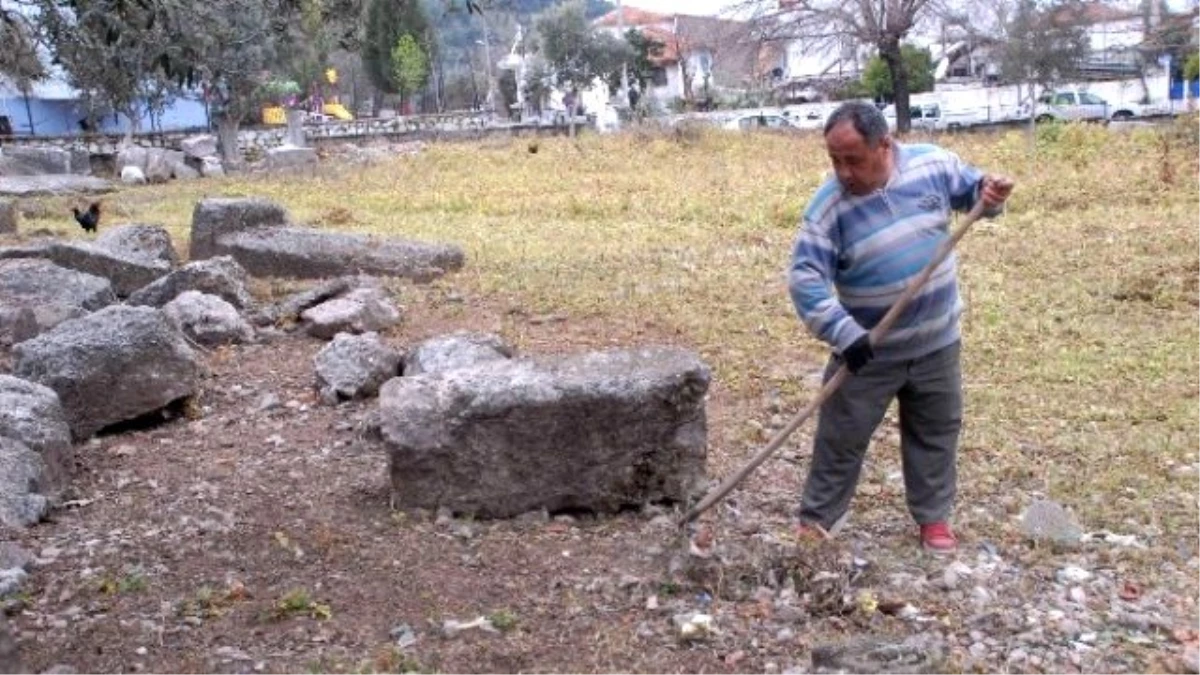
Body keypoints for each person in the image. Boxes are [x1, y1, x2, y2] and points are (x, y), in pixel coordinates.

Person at [788, 101, 1014, 554]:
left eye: (853, 159)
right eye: (834, 159)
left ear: (884, 145)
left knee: (936, 430)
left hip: (936, 340)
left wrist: (989, 196)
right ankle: (817, 522)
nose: (843, 171)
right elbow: (805, 279)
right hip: (868, 351)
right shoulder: (828, 206)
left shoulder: (932, 164)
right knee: (840, 438)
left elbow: (973, 193)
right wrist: (844, 333)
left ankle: (933, 518)